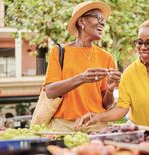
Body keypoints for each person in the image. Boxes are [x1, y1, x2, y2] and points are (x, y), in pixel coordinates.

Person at [75, 18, 149, 129]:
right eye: (139, 42)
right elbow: (122, 108)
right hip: (146, 137)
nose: (143, 47)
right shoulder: (129, 74)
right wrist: (97, 117)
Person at [44, 1, 121, 132]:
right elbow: (50, 92)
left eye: (104, 20)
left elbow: (107, 105)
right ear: (81, 22)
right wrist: (81, 78)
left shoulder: (106, 57)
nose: (103, 23)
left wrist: (109, 90)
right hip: (63, 127)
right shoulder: (59, 51)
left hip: (96, 126)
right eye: (99, 17)